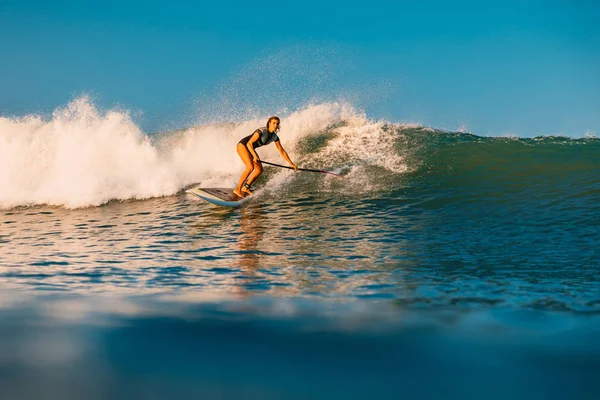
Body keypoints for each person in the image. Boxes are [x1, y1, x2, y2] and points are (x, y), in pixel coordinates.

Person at [233, 116, 297, 198]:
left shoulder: (274, 137)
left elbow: (282, 151)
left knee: (259, 170)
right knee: (250, 167)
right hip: (243, 146)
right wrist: (255, 156)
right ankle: (237, 189)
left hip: (250, 149)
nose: (275, 125)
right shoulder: (262, 131)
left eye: (277, 123)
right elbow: (249, 143)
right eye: (273, 123)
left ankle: (245, 188)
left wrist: (291, 164)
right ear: (269, 123)